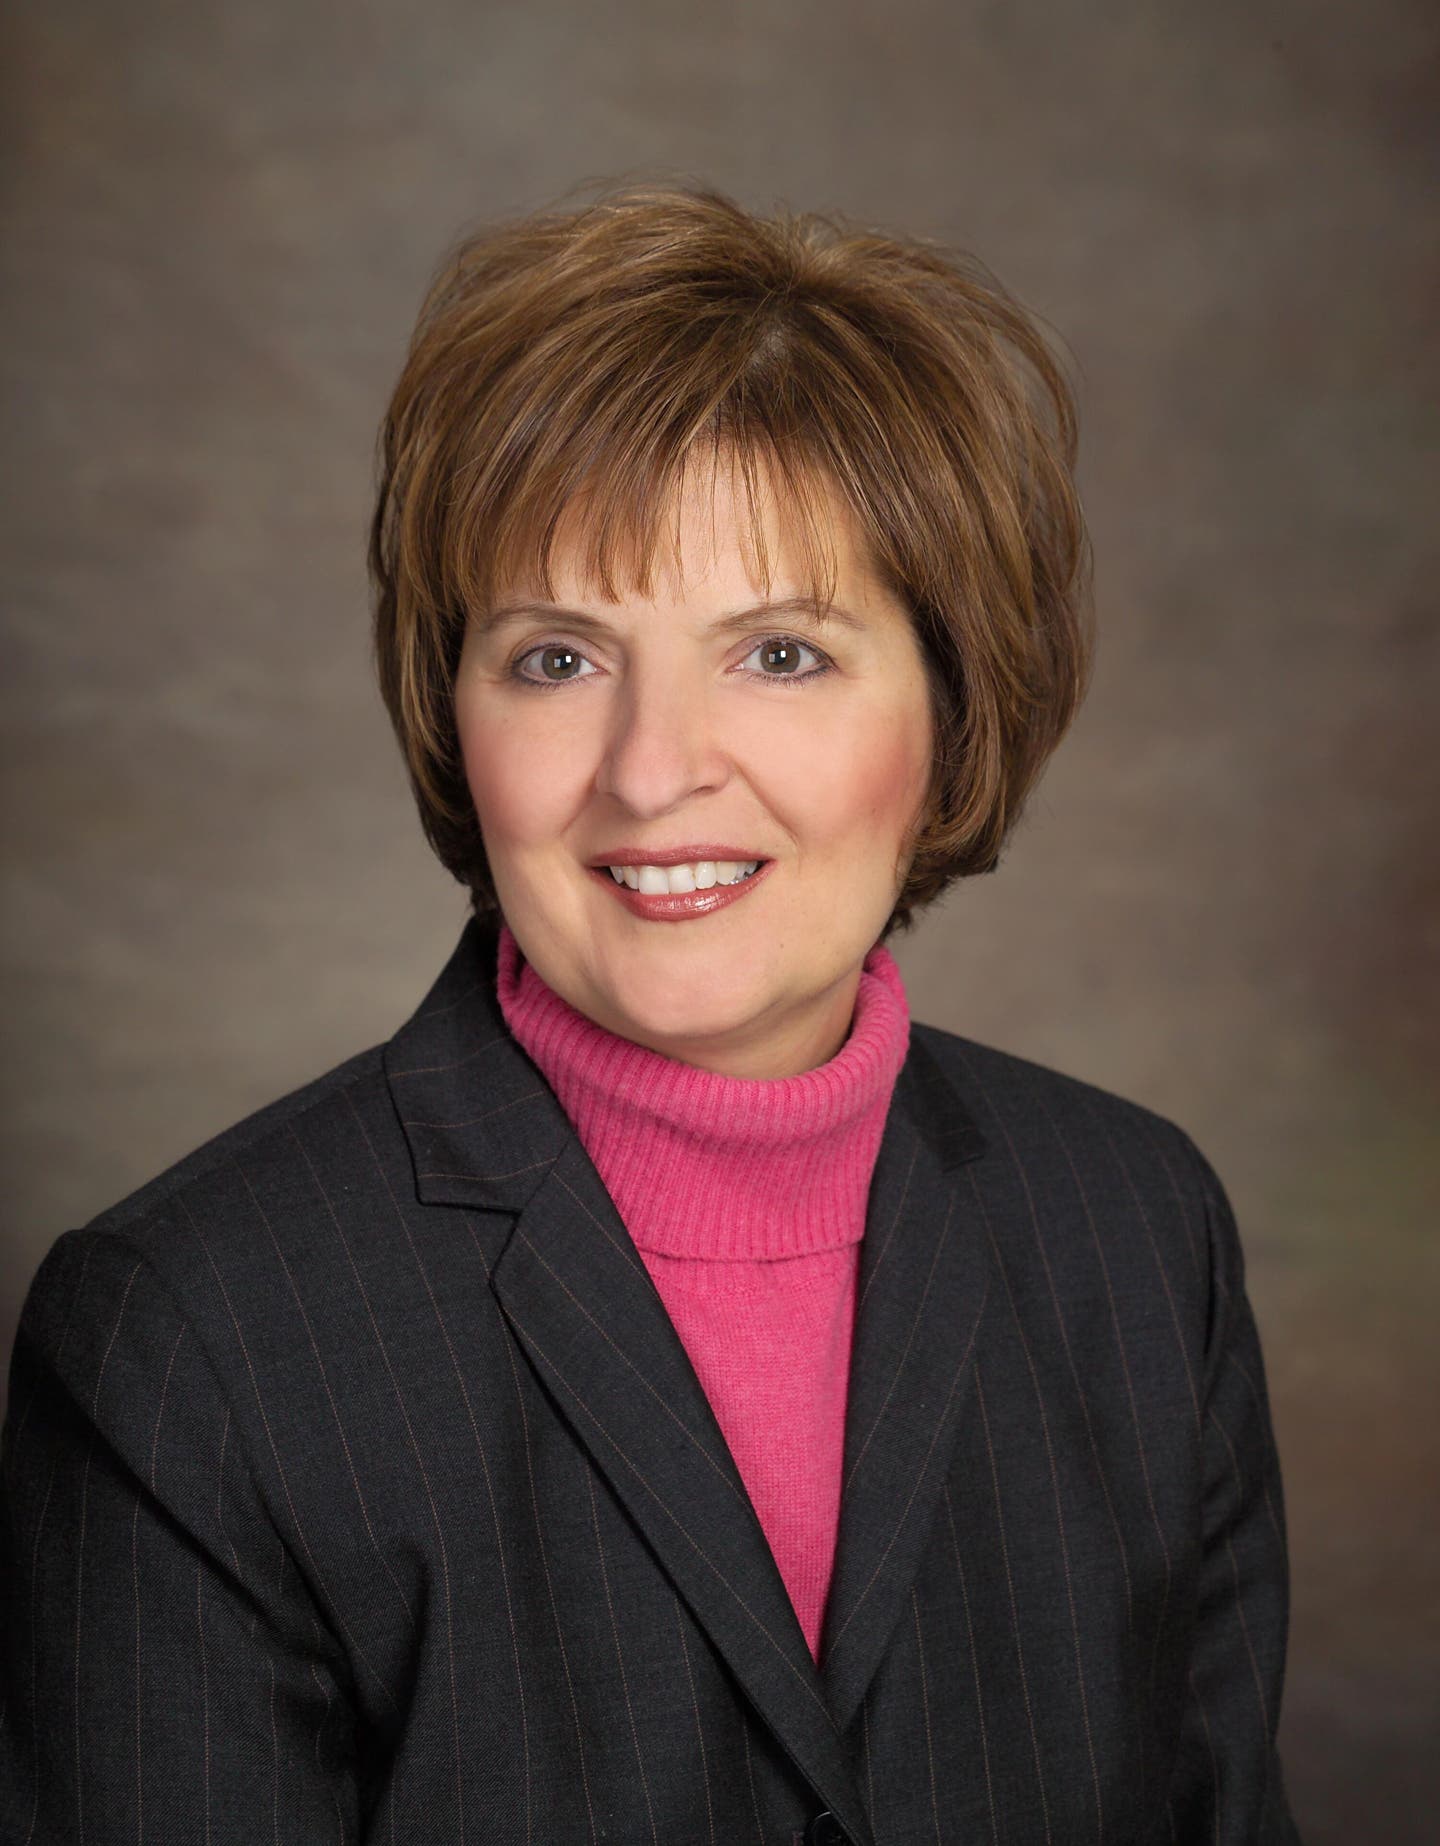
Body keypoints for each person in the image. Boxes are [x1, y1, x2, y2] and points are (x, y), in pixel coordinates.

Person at [0, 181, 1302, 1844]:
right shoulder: (192, 1337)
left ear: (952, 706)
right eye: (558, 658)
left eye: (780, 654)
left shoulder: (1136, 1231)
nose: (651, 768)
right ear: (454, 715)